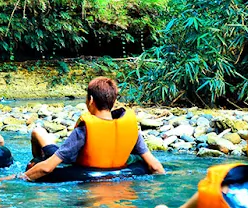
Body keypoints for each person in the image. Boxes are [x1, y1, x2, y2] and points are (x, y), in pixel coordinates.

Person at [21, 77, 164, 181]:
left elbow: (46, 168)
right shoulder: (131, 129)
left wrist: (19, 177)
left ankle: (37, 159)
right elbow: (156, 167)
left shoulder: (84, 130)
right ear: (113, 101)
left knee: (37, 132)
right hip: (116, 171)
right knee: (38, 133)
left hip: (73, 166)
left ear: (90, 100)